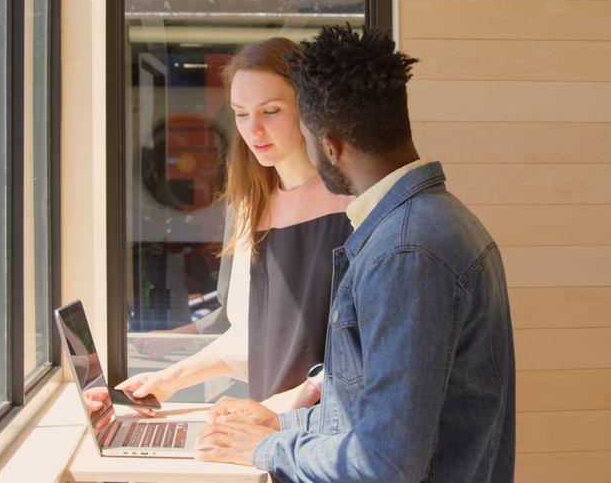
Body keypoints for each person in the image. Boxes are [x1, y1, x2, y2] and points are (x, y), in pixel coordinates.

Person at [193, 25, 516, 482]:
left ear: (329, 145)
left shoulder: (406, 250)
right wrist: (283, 423)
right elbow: (378, 416)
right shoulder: (436, 220)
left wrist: (268, 447)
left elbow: (384, 461)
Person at [113, 37, 354, 414]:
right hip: (268, 428)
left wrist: (289, 404)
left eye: (271, 111)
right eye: (241, 113)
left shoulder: (355, 202)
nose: (254, 129)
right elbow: (250, 339)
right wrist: (168, 380)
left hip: (333, 433)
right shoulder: (248, 207)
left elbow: (375, 346)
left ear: (310, 106)